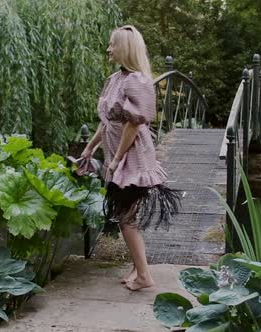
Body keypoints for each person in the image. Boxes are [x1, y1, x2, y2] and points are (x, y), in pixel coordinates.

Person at [81, 25, 180, 291]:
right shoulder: (116, 79)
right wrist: (90, 148)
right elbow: (107, 122)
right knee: (128, 215)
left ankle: (145, 276)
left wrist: (116, 161)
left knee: (126, 217)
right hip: (118, 153)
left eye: (112, 44)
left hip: (132, 157)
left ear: (124, 48)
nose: (108, 49)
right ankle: (138, 269)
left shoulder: (137, 80)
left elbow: (133, 125)